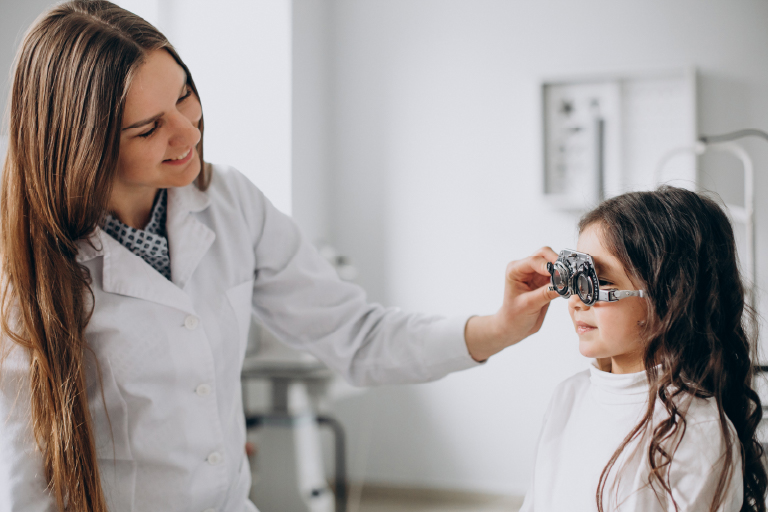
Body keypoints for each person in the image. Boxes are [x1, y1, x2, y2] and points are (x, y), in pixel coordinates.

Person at [0, 2, 559, 511]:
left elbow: (356, 335)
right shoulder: (30, 264)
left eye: (184, 95)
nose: (187, 130)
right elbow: (28, 474)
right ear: (82, 145)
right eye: (149, 128)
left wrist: (500, 327)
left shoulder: (227, 201)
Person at [519, 186, 767, 512]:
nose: (577, 301)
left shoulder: (698, 432)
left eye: (600, 282)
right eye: (575, 277)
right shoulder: (568, 397)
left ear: (671, 297)